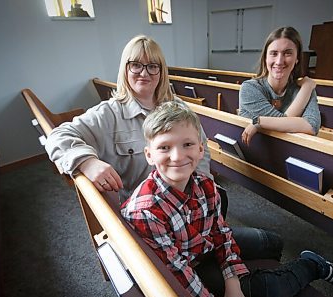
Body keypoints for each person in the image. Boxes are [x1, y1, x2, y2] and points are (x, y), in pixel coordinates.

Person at [121, 101, 333, 297]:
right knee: (273, 291)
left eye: (187, 144)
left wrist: (232, 282)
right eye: (164, 147)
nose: (177, 156)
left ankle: (272, 275)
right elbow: (179, 275)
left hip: (202, 246)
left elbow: (219, 231)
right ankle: (313, 266)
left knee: (272, 241)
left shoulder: (205, 184)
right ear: (149, 155)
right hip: (190, 266)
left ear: (199, 150)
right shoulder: (146, 212)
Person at [44, 35, 211, 203]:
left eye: (153, 66)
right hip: (143, 213)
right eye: (136, 65)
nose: (144, 73)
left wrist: (202, 192)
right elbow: (57, 137)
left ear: (161, 72)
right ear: (125, 69)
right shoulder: (108, 114)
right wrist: (87, 162)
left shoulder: (179, 108)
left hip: (187, 202)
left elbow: (201, 150)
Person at [239, 26, 321, 145]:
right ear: (265, 58)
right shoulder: (250, 88)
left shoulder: (303, 90)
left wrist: (258, 123)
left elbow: (312, 127)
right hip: (254, 156)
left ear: (297, 58)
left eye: (287, 53)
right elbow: (282, 120)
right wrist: (307, 87)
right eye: (274, 53)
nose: (279, 61)